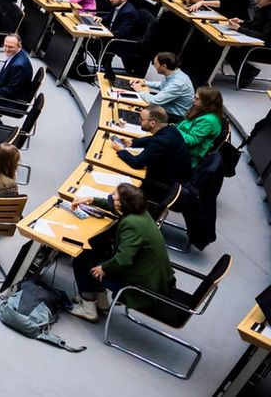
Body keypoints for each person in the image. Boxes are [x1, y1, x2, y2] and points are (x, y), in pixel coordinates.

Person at [69, 184, 175, 322]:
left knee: (83, 258)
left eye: (113, 196)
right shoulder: (140, 212)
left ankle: (88, 307)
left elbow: (122, 260)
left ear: (122, 203)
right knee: (100, 249)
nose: (110, 197)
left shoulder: (131, 224)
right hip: (150, 275)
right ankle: (101, 301)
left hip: (140, 284)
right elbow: (113, 206)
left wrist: (103, 268)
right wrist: (91, 199)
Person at [111, 105, 191, 205]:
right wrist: (132, 143)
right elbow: (152, 139)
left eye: (141, 119)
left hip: (162, 185)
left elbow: (137, 163)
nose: (139, 120)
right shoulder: (170, 129)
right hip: (173, 176)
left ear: (152, 123)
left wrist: (122, 150)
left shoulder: (161, 142)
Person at [130, 52, 194, 120]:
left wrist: (140, 90)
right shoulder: (175, 73)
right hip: (166, 104)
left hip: (172, 116)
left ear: (164, 66)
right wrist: (145, 83)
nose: (153, 65)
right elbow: (162, 85)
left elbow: (154, 101)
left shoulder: (178, 84)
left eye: (155, 64)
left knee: (135, 110)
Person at [175, 86, 226, 167]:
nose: (193, 100)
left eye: (197, 99)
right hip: (178, 146)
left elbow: (190, 141)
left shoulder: (208, 121)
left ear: (207, 103)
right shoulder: (202, 111)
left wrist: (171, 132)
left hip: (184, 156)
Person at [101, 0, 148, 72]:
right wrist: (101, 19)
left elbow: (121, 33)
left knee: (93, 41)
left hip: (120, 41)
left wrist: (104, 33)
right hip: (111, 33)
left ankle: (103, 64)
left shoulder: (129, 12)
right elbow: (109, 18)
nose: (110, 0)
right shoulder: (117, 4)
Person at [0, 34, 35, 108]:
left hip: (12, 101)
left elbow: (11, 91)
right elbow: (5, 77)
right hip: (7, 91)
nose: (6, 49)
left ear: (19, 46)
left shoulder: (19, 66)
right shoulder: (14, 55)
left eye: (11, 47)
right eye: (5, 45)